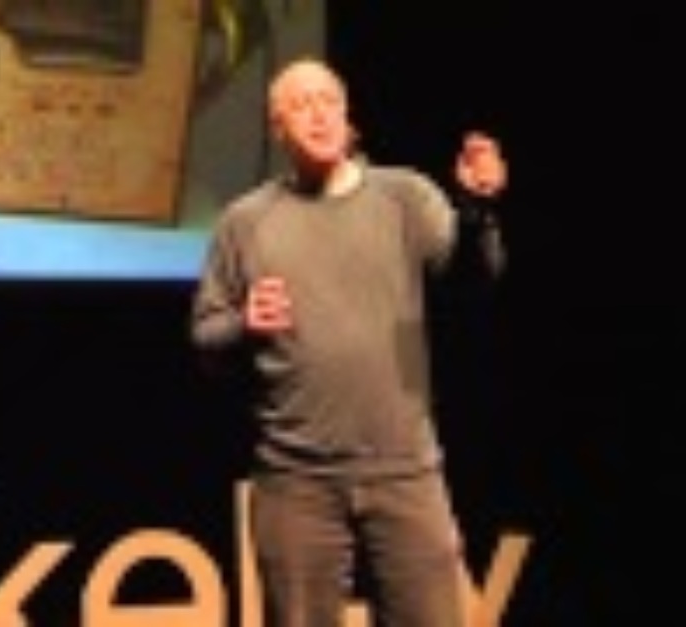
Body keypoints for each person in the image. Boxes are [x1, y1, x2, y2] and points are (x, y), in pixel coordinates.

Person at [190, 56, 507, 627]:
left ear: (348, 115)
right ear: (278, 128)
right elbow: (206, 336)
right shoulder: (246, 221)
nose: (318, 114)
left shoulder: (404, 197)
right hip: (296, 480)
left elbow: (472, 281)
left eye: (328, 100)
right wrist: (244, 325)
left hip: (405, 471)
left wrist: (476, 210)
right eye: (300, 105)